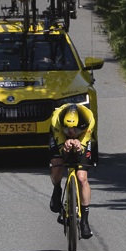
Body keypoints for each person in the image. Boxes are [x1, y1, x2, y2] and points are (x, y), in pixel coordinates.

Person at [48, 102, 95, 239]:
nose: (72, 133)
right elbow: (63, 151)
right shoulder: (56, 120)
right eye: (68, 130)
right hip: (58, 135)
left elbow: (84, 144)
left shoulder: (89, 119)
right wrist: (65, 147)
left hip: (83, 139)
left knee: (81, 177)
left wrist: (80, 147)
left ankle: (85, 222)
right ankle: (57, 189)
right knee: (57, 166)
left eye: (76, 130)